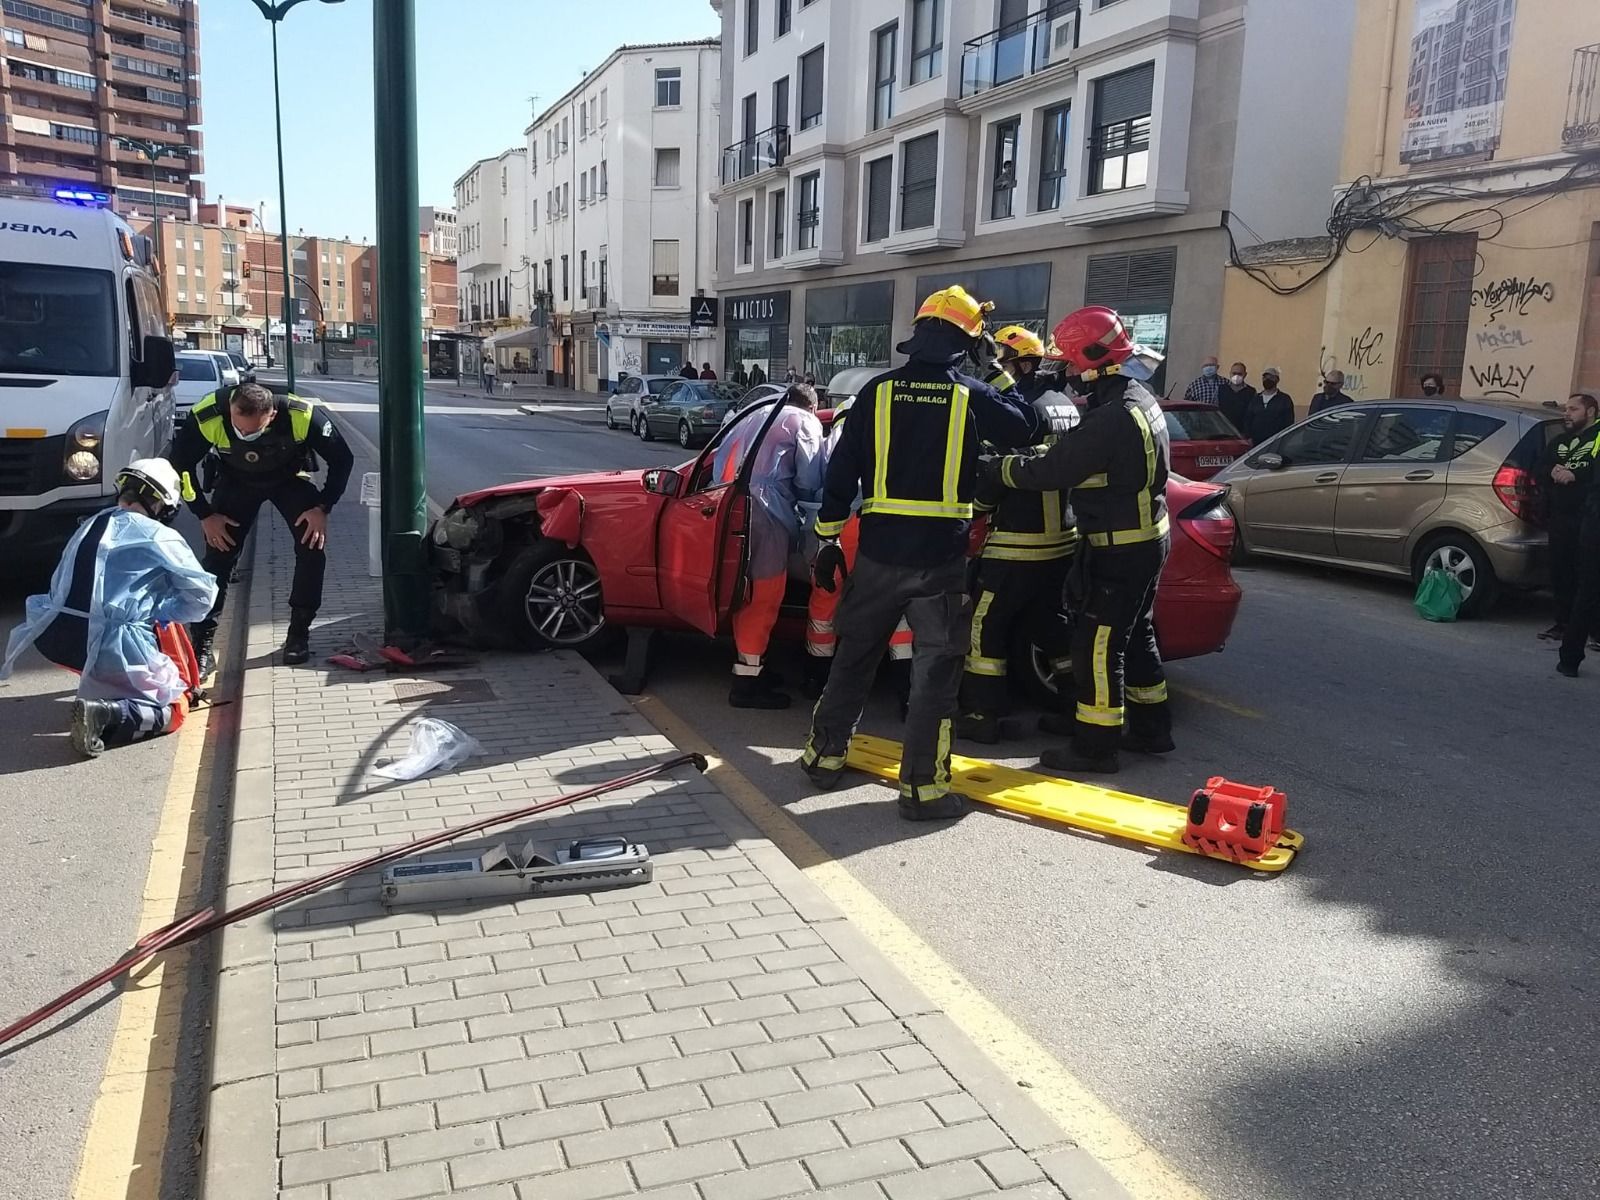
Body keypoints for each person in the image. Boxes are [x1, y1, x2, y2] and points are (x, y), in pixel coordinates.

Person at [798, 285, 1037, 821]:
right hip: (940, 561)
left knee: (854, 659)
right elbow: (1030, 424)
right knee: (934, 675)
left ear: (919, 334)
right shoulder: (971, 394)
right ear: (966, 343)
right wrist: (994, 368)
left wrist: (830, 537)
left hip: (879, 555)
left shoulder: (876, 393)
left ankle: (823, 758)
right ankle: (923, 790)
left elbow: (840, 474)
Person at [989, 306, 1172, 775]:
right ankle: (1152, 729)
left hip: (1119, 548)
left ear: (1097, 360)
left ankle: (1094, 746)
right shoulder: (1139, 399)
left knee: (1098, 643)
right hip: (1146, 540)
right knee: (1136, 635)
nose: (1068, 372)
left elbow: (1050, 472)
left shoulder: (1112, 417)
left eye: (1072, 363)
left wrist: (997, 468)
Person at [1, 460, 217, 758]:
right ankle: (105, 715)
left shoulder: (93, 522)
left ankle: (108, 687)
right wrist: (163, 609)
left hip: (57, 636)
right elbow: (201, 598)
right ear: (159, 504)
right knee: (174, 706)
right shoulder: (158, 535)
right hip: (108, 644)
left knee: (119, 648)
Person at [172, 382, 354, 674]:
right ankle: (202, 643)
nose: (245, 434)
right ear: (230, 410)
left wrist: (322, 507)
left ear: (271, 415)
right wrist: (204, 515)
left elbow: (343, 459)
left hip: (289, 480)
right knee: (218, 558)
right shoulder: (208, 414)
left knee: (312, 546)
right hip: (236, 483)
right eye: (239, 428)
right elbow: (180, 466)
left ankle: (298, 634)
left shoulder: (301, 415)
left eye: (253, 430)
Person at [957, 325, 1080, 744]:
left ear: (1023, 364)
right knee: (1052, 627)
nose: (1001, 374)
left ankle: (981, 715)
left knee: (984, 628)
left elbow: (999, 470)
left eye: (1006, 363)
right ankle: (1073, 703)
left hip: (1017, 543)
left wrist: (975, 509)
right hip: (1061, 541)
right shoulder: (1063, 403)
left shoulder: (1024, 411)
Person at [712, 384, 825, 708]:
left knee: (739, 592)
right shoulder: (804, 422)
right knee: (764, 596)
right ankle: (746, 686)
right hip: (767, 512)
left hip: (727, 508)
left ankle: (755, 669)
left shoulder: (753, 415)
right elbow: (810, 480)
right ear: (813, 407)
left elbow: (720, 463)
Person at [1544, 393, 1600, 644]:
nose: (1566, 413)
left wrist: (1577, 476)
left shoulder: (1598, 436)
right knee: (1561, 570)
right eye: (1566, 409)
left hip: (1590, 516)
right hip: (1561, 517)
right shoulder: (1560, 440)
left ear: (1590, 412)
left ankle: (1595, 632)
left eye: (1573, 409)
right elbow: (1541, 465)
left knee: (1589, 575)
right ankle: (1563, 624)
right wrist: (1552, 470)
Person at [1245, 366, 1295, 446]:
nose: (1267, 380)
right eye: (1265, 377)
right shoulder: (1256, 399)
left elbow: (1289, 421)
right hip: (1256, 443)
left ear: (1277, 380)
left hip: (1275, 442)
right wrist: (1248, 437)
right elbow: (1248, 419)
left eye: (1271, 377)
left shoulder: (1284, 399)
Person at [1217, 362, 1256, 433]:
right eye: (1234, 373)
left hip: (1241, 433)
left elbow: (1252, 414)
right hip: (1222, 431)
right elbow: (1215, 409)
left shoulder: (1251, 392)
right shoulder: (1221, 389)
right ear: (1230, 373)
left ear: (1245, 375)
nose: (1236, 376)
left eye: (1240, 374)